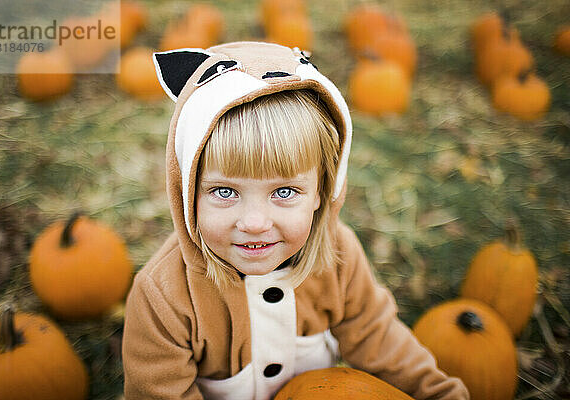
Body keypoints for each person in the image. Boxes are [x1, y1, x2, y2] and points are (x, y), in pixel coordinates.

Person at [122, 41, 469, 400]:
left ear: (322, 191)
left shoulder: (338, 254)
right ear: (188, 194)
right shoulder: (163, 296)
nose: (255, 223)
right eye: (224, 192)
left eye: (284, 192)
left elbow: (378, 339)